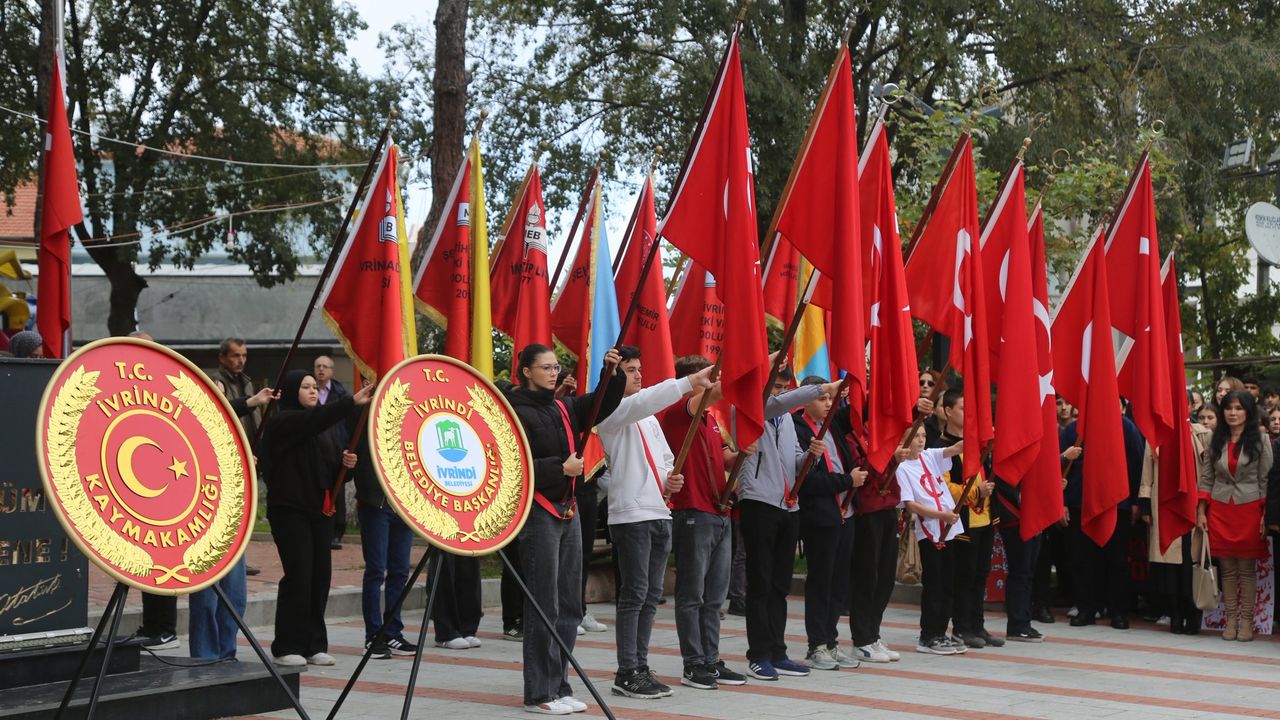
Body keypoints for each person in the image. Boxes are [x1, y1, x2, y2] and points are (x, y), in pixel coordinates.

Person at [504, 344, 625, 715]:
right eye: (545, 367)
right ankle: (539, 692)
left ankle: (560, 684)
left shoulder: (562, 405)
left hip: (568, 510)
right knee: (544, 604)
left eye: (556, 366)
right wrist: (560, 470)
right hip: (539, 512)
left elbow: (602, 403)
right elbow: (512, 465)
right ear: (526, 371)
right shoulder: (514, 411)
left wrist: (613, 373)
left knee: (570, 604)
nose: (554, 372)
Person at [596, 346, 712, 697]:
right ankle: (627, 670)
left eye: (640, 368)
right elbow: (646, 401)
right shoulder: (613, 411)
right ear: (615, 377)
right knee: (633, 595)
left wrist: (668, 479)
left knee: (650, 596)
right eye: (630, 370)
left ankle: (640, 666)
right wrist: (688, 382)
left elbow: (664, 459)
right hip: (631, 517)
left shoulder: (647, 420)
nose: (639, 374)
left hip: (659, 512)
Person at [260, 369, 372, 666]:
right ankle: (287, 645)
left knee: (320, 577)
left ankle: (313, 644)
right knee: (299, 575)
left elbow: (331, 473)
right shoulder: (283, 422)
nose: (312, 391)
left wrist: (345, 466)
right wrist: (350, 402)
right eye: (306, 387)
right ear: (293, 390)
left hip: (319, 511)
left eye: (314, 387)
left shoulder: (324, 428)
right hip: (289, 510)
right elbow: (311, 422)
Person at [736, 367, 839, 681]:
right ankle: (758, 654)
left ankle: (778, 651)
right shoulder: (753, 407)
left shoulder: (787, 422)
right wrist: (827, 388)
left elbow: (794, 461)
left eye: (784, 386)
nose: (779, 392)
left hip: (787, 507)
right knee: (761, 584)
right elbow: (776, 404)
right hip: (759, 503)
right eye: (775, 386)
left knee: (780, 586)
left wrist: (811, 455)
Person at [660, 355, 749, 691]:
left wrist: (742, 450)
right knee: (692, 594)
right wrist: (755, 367)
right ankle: (693, 663)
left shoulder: (710, 421)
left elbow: (725, 457)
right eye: (710, 376)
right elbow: (713, 393)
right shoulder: (679, 412)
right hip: (693, 512)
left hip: (719, 511)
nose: (716, 382)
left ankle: (710, 659)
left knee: (714, 596)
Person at [189, 351, 275, 660]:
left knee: (236, 598)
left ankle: (227, 653)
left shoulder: (230, 430)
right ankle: (204, 657)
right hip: (200, 525)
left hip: (230, 522)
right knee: (206, 599)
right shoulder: (192, 428)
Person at [792, 377, 866, 670]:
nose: (827, 404)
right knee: (821, 582)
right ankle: (816, 645)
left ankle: (832, 641)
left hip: (845, 515)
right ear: (806, 398)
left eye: (829, 399)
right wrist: (848, 481)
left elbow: (863, 410)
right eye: (821, 398)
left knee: (838, 583)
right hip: (820, 516)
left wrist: (858, 383)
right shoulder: (798, 428)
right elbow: (807, 479)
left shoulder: (833, 423)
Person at [926, 388, 1002, 649]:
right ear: (948, 411)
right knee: (963, 575)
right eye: (963, 408)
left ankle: (977, 624)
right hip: (961, 520)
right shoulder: (940, 447)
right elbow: (942, 486)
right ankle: (961, 627)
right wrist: (973, 492)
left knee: (981, 574)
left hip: (984, 518)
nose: (969, 414)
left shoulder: (978, 442)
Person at [1197, 391, 1273, 641]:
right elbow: (1207, 478)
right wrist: (1201, 511)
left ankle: (1247, 623)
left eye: (1239, 408)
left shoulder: (1261, 440)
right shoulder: (1214, 439)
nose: (1232, 413)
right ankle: (1230, 620)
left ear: (1248, 412)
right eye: (1229, 408)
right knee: (1227, 569)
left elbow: (1265, 480)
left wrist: (1265, 515)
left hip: (1250, 508)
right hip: (1220, 508)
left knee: (1247, 569)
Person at [1062, 401, 1144, 630]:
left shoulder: (1126, 428)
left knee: (1117, 560)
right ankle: (1086, 609)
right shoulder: (1074, 430)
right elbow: (1060, 468)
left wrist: (1137, 502)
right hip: (1081, 503)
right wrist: (1063, 502)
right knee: (1082, 560)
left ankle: (1118, 612)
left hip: (1117, 505)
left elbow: (1137, 465)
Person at [895, 426, 964, 655]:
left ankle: (941, 632)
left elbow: (955, 448)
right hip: (931, 530)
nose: (921, 440)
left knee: (949, 583)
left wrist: (979, 433)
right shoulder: (903, 468)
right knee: (934, 585)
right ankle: (928, 635)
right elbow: (911, 504)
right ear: (905, 439)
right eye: (916, 436)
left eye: (924, 435)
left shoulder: (929, 456)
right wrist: (941, 515)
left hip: (949, 528)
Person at [351, 430, 419, 658]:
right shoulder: (366, 414)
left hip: (403, 504)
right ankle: (373, 635)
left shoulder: (408, 415)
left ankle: (392, 632)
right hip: (375, 503)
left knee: (400, 571)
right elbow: (353, 452)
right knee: (376, 570)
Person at [313, 356, 351, 549]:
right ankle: (320, 528)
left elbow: (348, 423)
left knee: (337, 491)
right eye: (318, 366)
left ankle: (337, 532)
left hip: (336, 448)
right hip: (316, 449)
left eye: (325, 367)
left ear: (331, 371)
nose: (321, 370)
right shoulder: (309, 392)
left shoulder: (341, 393)